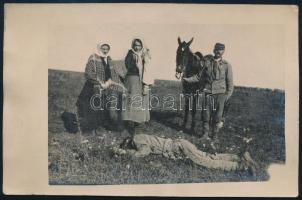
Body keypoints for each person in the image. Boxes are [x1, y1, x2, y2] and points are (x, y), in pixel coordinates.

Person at [117, 134, 258, 175]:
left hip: (179, 147)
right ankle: (238, 157)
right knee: (208, 156)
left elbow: (144, 152)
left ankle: (241, 166)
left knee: (206, 162)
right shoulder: (139, 136)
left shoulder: (137, 141)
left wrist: (128, 153)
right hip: (180, 144)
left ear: (129, 143)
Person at [183, 43, 234, 139]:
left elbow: (230, 83)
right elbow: (198, 77)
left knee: (217, 116)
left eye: (221, 50)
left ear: (223, 51)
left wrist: (226, 97)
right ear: (214, 50)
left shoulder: (227, 65)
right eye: (217, 49)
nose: (218, 51)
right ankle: (205, 134)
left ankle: (214, 136)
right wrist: (187, 79)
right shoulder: (207, 63)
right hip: (208, 92)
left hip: (220, 94)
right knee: (206, 114)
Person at [76, 42, 127, 132]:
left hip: (107, 87)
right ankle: (88, 128)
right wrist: (100, 83)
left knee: (103, 106)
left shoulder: (109, 59)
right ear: (99, 48)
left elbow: (113, 73)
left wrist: (113, 82)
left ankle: (101, 125)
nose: (105, 50)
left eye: (107, 49)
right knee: (92, 107)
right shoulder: (93, 57)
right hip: (94, 86)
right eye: (103, 48)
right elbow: (89, 72)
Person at [122, 38, 153, 135]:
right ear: (133, 45)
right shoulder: (130, 54)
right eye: (135, 45)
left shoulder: (144, 56)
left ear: (142, 46)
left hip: (141, 80)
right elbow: (128, 65)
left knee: (139, 100)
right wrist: (136, 59)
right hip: (132, 80)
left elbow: (147, 68)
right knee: (131, 100)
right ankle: (129, 122)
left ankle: (137, 122)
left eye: (139, 45)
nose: (137, 47)